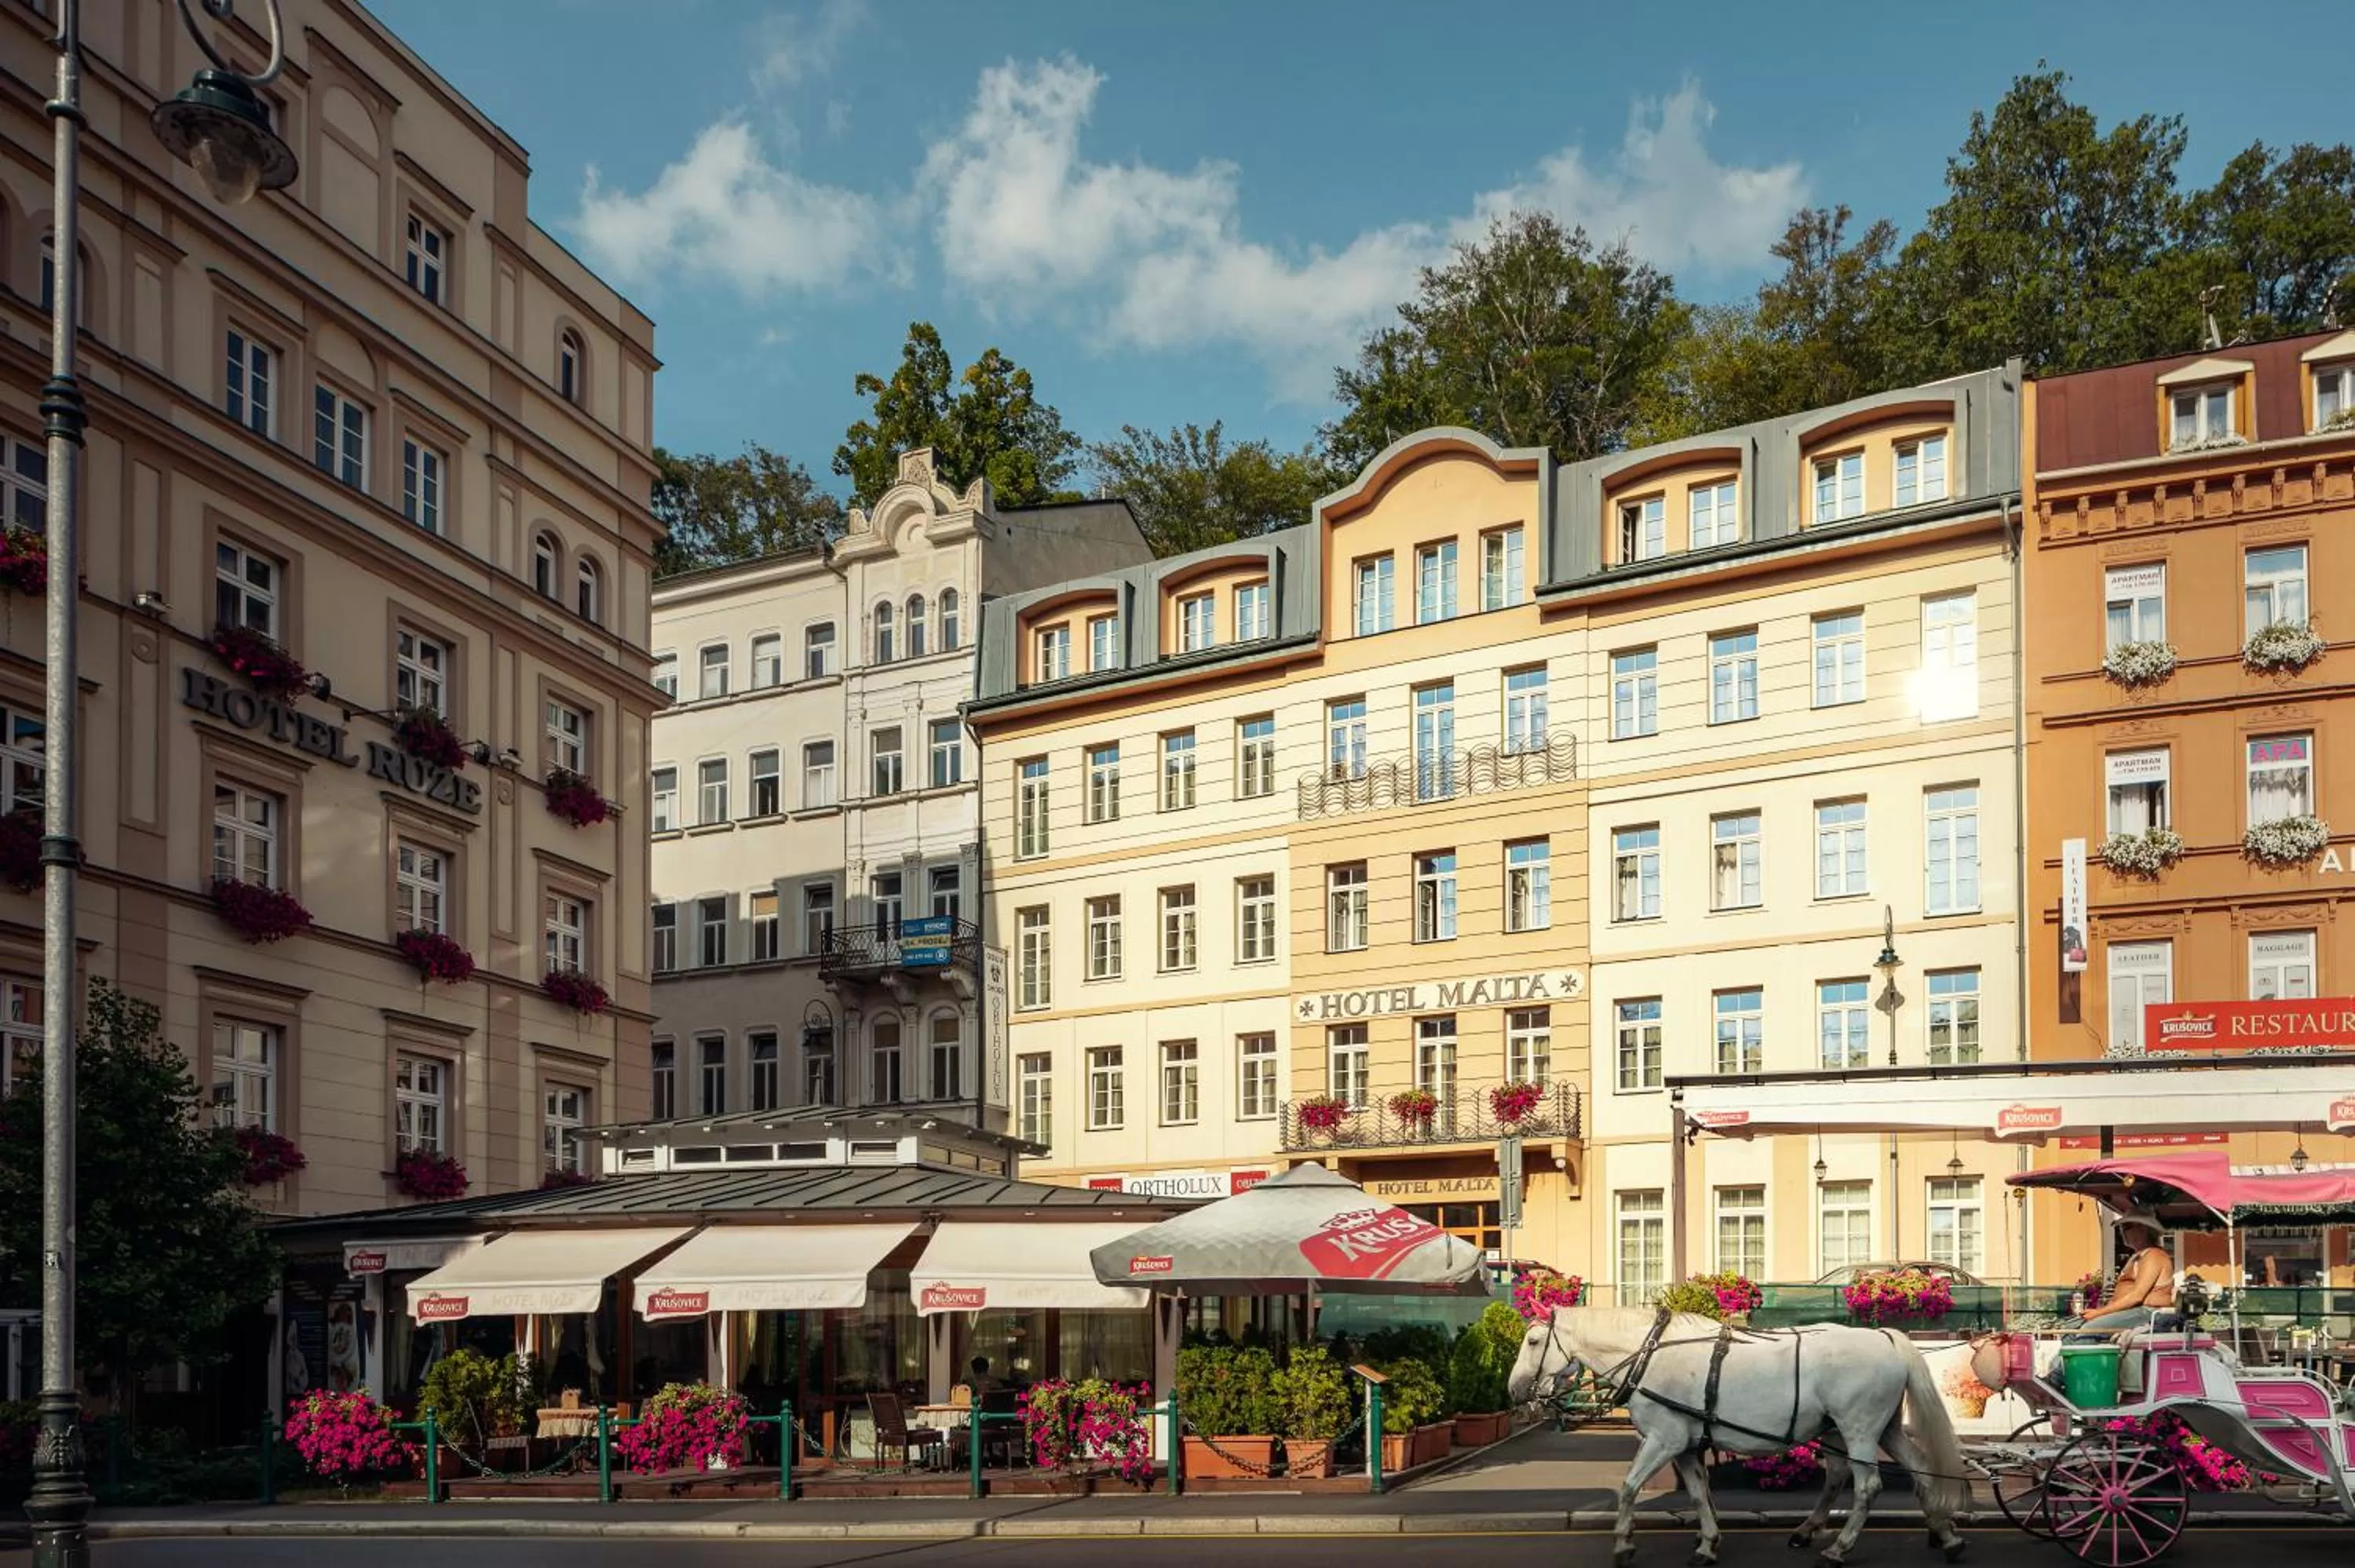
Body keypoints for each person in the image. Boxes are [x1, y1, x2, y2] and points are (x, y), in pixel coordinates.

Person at [2072, 1221, 2179, 1336]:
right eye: (2121, 1228)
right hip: (2133, 1311)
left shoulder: (2154, 1255)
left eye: (2127, 1227)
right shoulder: (2139, 1256)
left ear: (2143, 1229)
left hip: (2148, 1312)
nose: (2123, 1232)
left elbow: (2137, 1296)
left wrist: (2099, 1313)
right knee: (2068, 1329)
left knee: (2087, 1331)